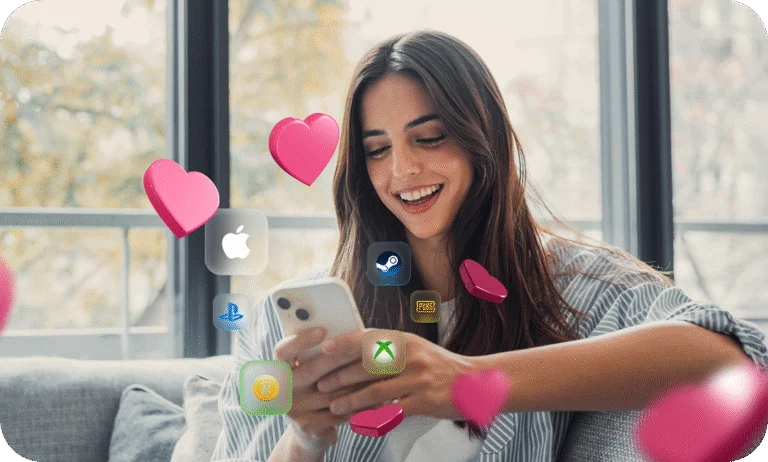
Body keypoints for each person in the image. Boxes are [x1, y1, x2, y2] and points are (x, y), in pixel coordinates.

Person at [212, 30, 768, 462]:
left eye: (430, 138)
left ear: (485, 140)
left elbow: (734, 363)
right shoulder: (280, 324)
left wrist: (466, 380)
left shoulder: (575, 291)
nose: (403, 171)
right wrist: (307, 437)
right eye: (377, 151)